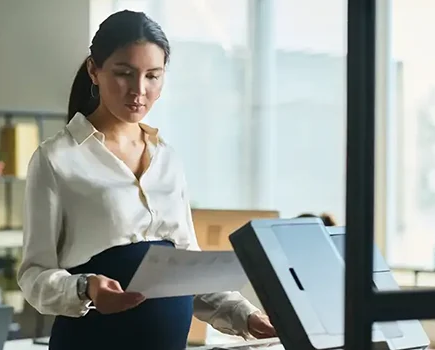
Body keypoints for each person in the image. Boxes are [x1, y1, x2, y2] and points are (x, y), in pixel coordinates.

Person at [17, 10, 276, 349]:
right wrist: (86, 287)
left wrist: (246, 316)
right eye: (124, 73)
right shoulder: (56, 159)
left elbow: (188, 271)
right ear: (94, 70)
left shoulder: (167, 159)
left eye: (153, 76)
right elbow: (34, 276)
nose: (139, 90)